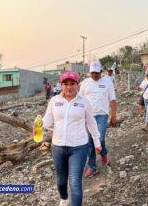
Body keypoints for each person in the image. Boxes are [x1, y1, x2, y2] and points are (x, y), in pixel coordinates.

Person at [39, 71, 101, 206]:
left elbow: (91, 123)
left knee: (74, 182)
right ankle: (64, 198)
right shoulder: (55, 101)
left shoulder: (84, 102)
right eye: (66, 84)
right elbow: (48, 121)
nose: (69, 87)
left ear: (77, 85)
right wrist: (39, 124)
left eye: (72, 84)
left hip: (79, 147)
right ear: (61, 85)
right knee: (61, 181)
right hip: (58, 147)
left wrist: (97, 142)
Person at [80, 61, 117, 178]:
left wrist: (114, 115)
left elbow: (113, 99)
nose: (95, 75)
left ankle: (103, 154)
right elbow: (79, 100)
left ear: (101, 72)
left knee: (99, 139)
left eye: (97, 73)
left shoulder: (107, 82)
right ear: (90, 72)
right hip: (88, 116)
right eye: (92, 73)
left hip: (102, 115)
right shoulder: (85, 83)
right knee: (90, 142)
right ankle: (92, 167)